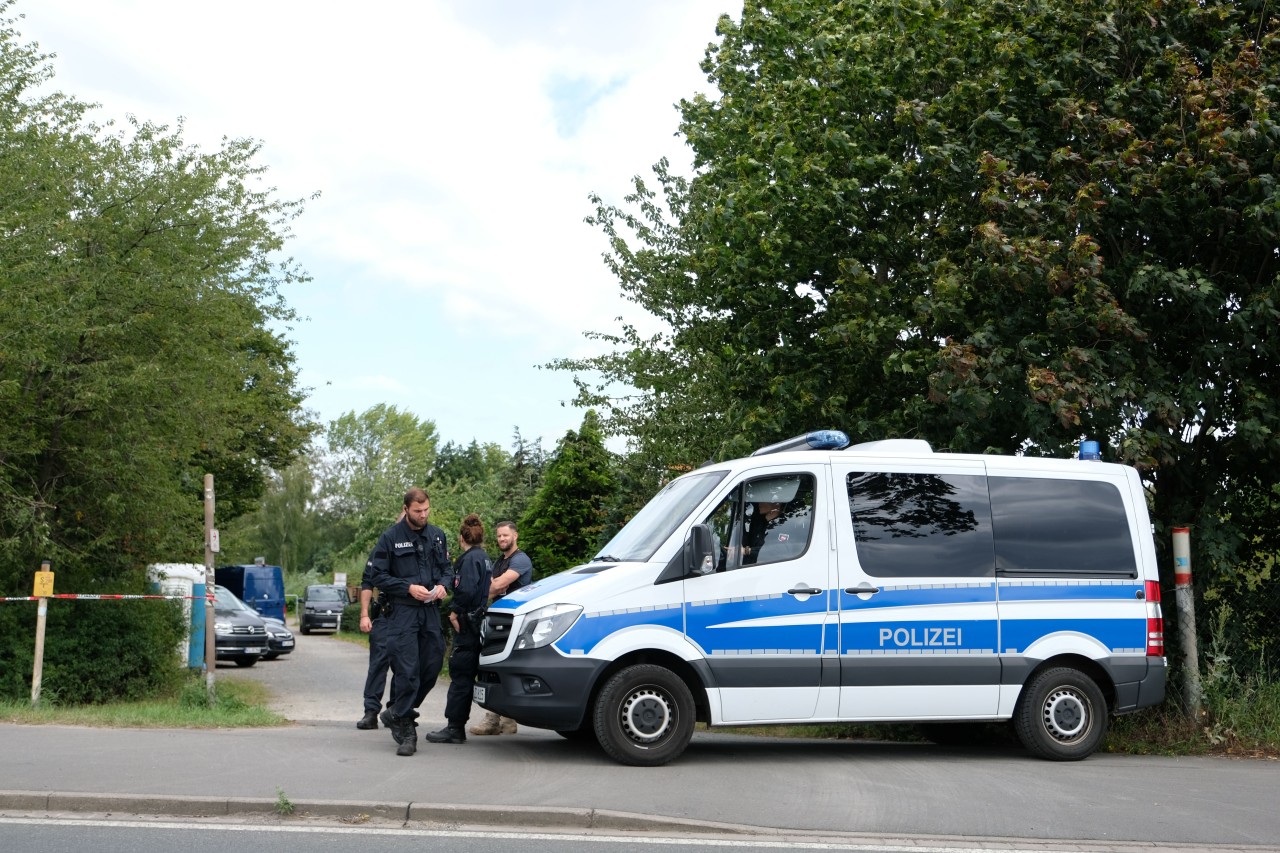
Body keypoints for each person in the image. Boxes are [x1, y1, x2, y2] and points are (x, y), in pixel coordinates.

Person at [366, 487, 453, 756]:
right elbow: (377, 576)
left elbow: (448, 570)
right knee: (408, 670)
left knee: (433, 663)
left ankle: (396, 711)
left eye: (426, 510)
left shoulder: (437, 536)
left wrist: (443, 585)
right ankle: (405, 728)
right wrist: (407, 588)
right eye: (418, 511)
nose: (423, 515)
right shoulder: (389, 538)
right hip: (402, 612)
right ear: (406, 509)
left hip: (429, 610)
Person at [424, 514, 493, 744]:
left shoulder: (469, 560)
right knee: (466, 673)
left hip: (467, 623)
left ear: (461, 537)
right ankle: (456, 726)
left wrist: (454, 610)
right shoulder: (484, 558)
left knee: (461, 674)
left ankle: (455, 727)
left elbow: (465, 590)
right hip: (479, 620)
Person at [468, 520, 533, 736]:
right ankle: (495, 719)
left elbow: (496, 586)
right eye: (498, 536)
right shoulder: (498, 562)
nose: (502, 539)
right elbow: (493, 587)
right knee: (491, 669)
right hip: (497, 621)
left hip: (515, 624)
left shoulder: (521, 560)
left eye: (505, 535)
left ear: (515, 536)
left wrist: (480, 591)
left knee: (505, 669)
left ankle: (507, 719)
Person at [355, 563, 392, 730]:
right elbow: (367, 581)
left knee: (405, 666)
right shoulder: (383, 547)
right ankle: (371, 711)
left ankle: (396, 711)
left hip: (410, 614)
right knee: (378, 664)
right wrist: (364, 614)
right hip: (385, 613)